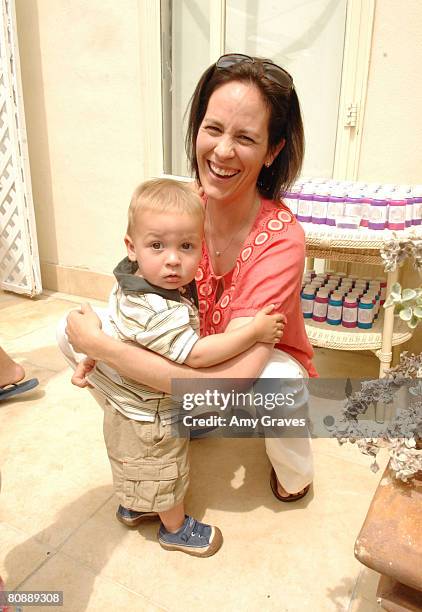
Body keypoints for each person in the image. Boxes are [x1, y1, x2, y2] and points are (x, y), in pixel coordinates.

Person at [64, 53, 317, 511]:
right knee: (72, 331)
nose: (222, 151)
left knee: (280, 383)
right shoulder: (180, 205)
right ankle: (157, 425)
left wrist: (104, 351)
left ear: (273, 151)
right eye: (213, 128)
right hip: (187, 351)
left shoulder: (282, 241)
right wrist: (95, 341)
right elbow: (135, 293)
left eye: (245, 138)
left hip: (238, 370)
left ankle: (294, 476)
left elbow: (232, 382)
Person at [59, 177, 284, 557]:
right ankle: (174, 529)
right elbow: (195, 354)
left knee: (134, 460)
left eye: (186, 246)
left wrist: (92, 359)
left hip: (126, 405)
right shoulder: (159, 310)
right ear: (132, 247)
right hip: (153, 414)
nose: (174, 259)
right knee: (166, 469)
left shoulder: (128, 284)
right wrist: (254, 332)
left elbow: (117, 330)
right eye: (157, 246)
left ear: (201, 248)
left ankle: (134, 505)